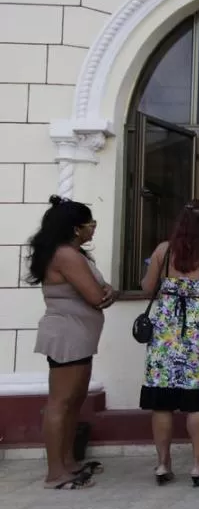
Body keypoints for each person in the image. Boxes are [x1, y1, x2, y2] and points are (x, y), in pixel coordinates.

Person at [140, 199, 199, 487]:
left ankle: (162, 463)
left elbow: (147, 289)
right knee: (198, 402)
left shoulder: (163, 251)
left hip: (165, 334)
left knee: (162, 401)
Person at [27, 196, 115, 490]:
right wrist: (107, 294)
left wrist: (107, 292)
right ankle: (55, 473)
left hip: (79, 335)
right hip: (67, 335)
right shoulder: (66, 255)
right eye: (91, 224)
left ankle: (68, 462)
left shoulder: (73, 253)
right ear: (76, 228)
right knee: (61, 402)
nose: (93, 230)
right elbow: (96, 296)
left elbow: (99, 292)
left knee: (74, 401)